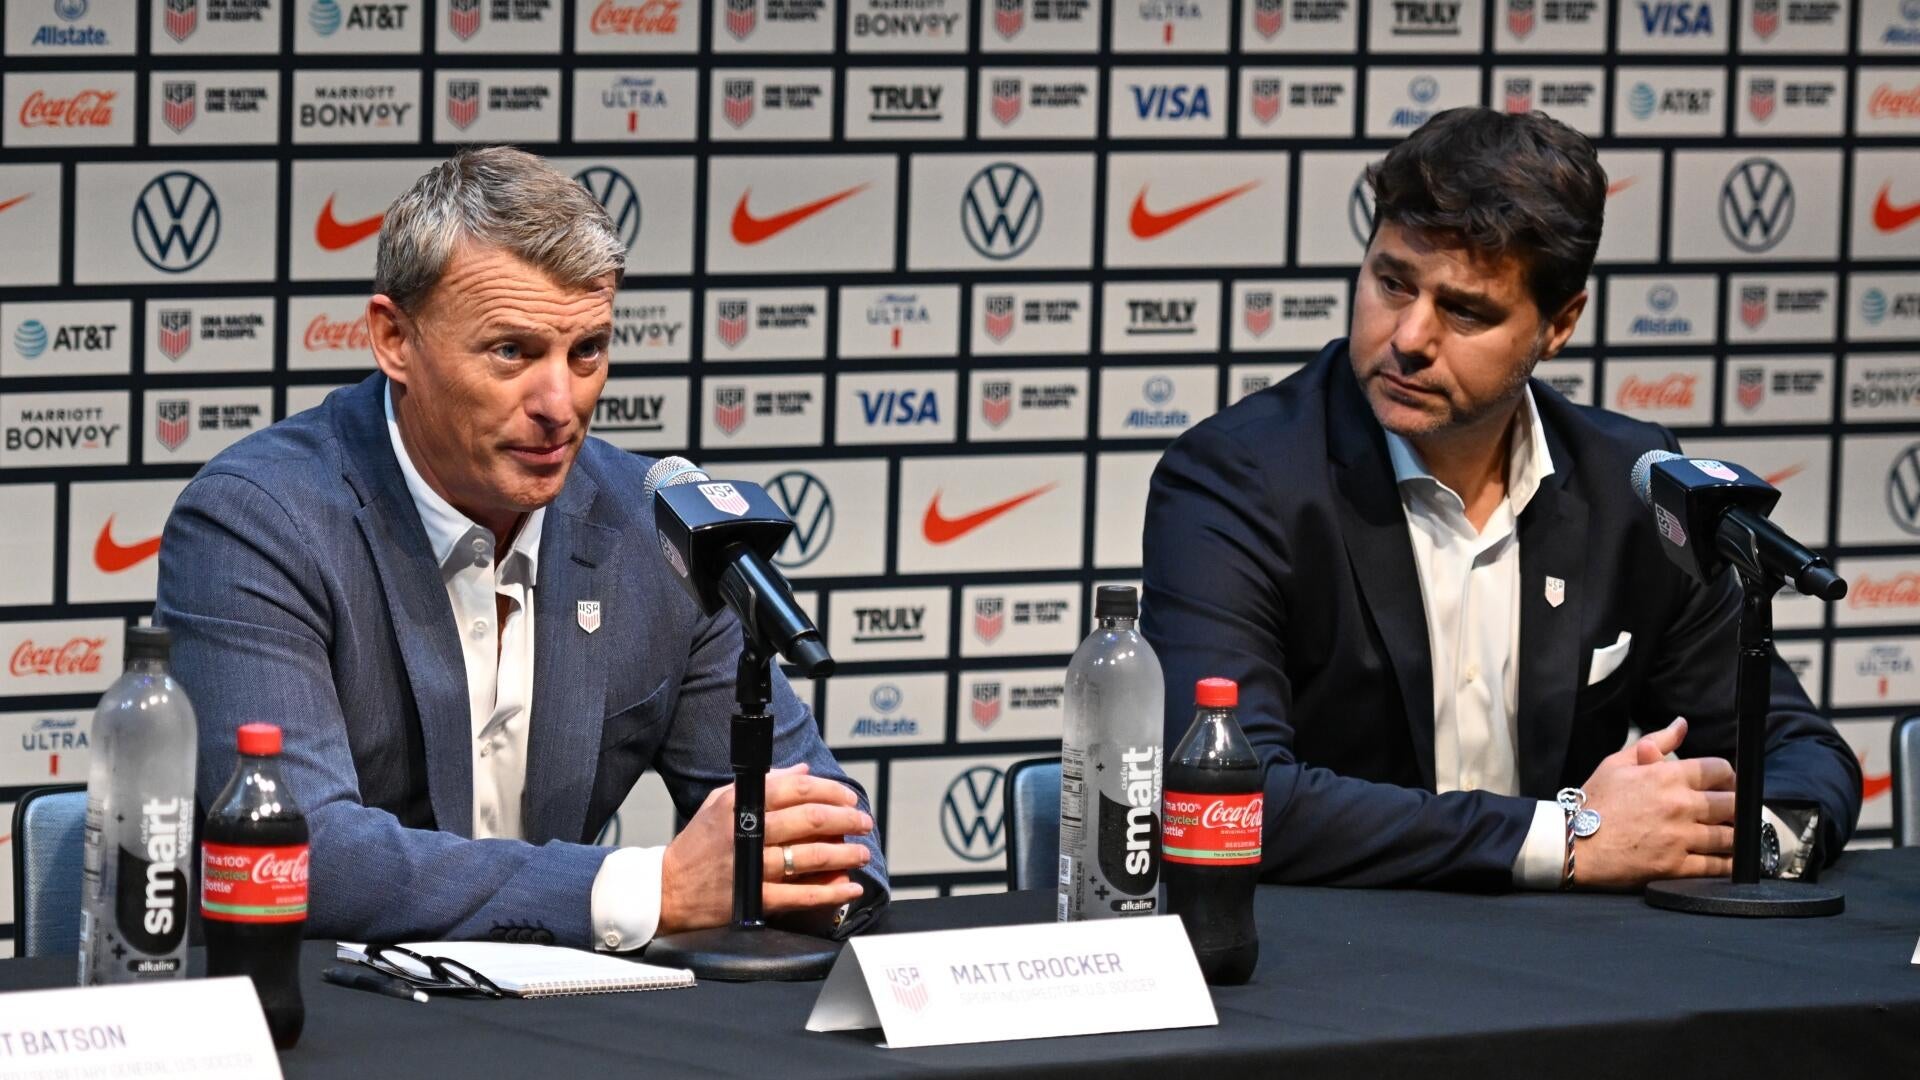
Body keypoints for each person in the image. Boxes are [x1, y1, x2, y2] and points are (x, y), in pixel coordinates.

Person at [157, 147, 885, 950]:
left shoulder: (655, 529)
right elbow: (298, 852)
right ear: (394, 339)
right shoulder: (258, 521)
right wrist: (648, 889)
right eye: (512, 351)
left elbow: (837, 846)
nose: (559, 404)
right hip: (327, 1008)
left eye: (587, 351)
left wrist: (800, 867)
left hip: (572, 1010)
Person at [1141, 108, 1859, 892]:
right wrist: (1569, 838)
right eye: (1392, 283)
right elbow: (1228, 798)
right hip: (1331, 949)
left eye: (1465, 310)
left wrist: (1739, 845)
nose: (1409, 337)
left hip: (1565, 956)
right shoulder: (1238, 479)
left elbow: (1800, 754)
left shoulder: (1628, 484)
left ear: (1559, 325)